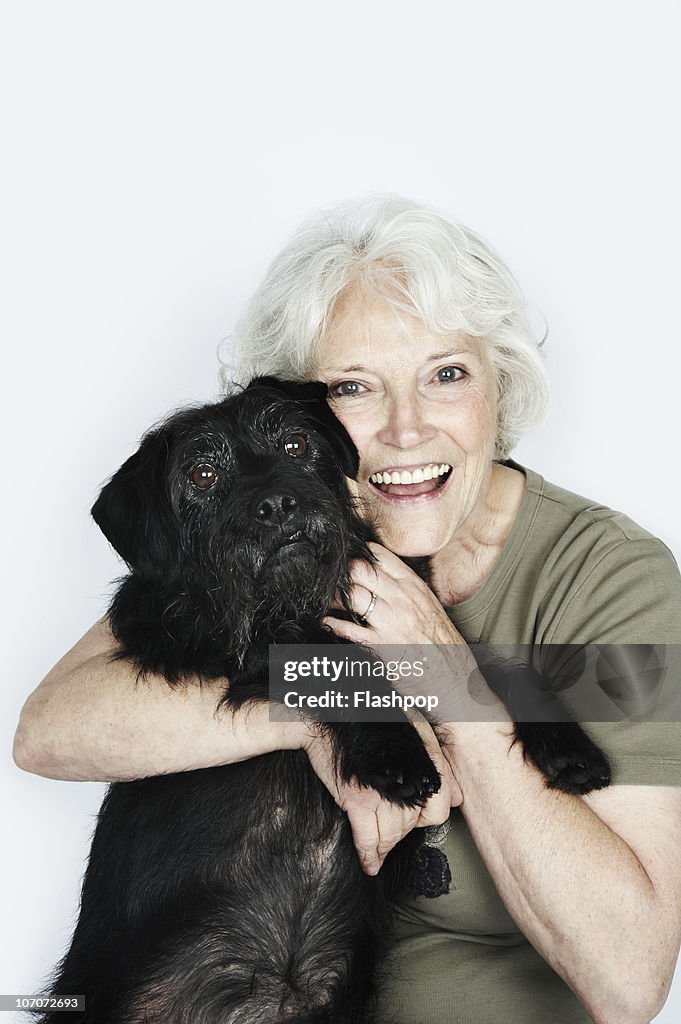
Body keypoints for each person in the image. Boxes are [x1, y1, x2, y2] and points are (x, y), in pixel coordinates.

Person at [14, 195, 681, 1024]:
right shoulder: (269, 556)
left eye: (447, 374)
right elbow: (47, 731)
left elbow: (629, 985)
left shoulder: (607, 574)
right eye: (354, 387)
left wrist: (446, 681)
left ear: (499, 382)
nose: (406, 429)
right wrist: (322, 710)